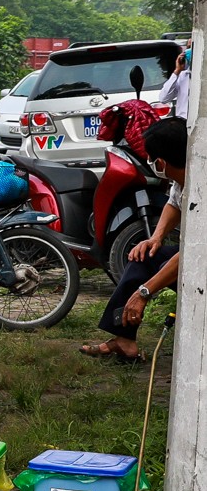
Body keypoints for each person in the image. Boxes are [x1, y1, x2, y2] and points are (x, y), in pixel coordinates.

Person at [82, 117, 188, 363]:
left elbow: (192, 257)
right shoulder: (183, 177)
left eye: (151, 160)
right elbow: (174, 203)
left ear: (160, 162)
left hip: (198, 260)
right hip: (196, 258)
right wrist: (155, 238)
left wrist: (144, 292)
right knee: (143, 256)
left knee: (163, 267)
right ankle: (124, 339)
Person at [160, 45, 193, 122]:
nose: (187, 51)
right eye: (188, 47)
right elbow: (164, 98)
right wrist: (177, 71)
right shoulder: (183, 75)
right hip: (182, 124)